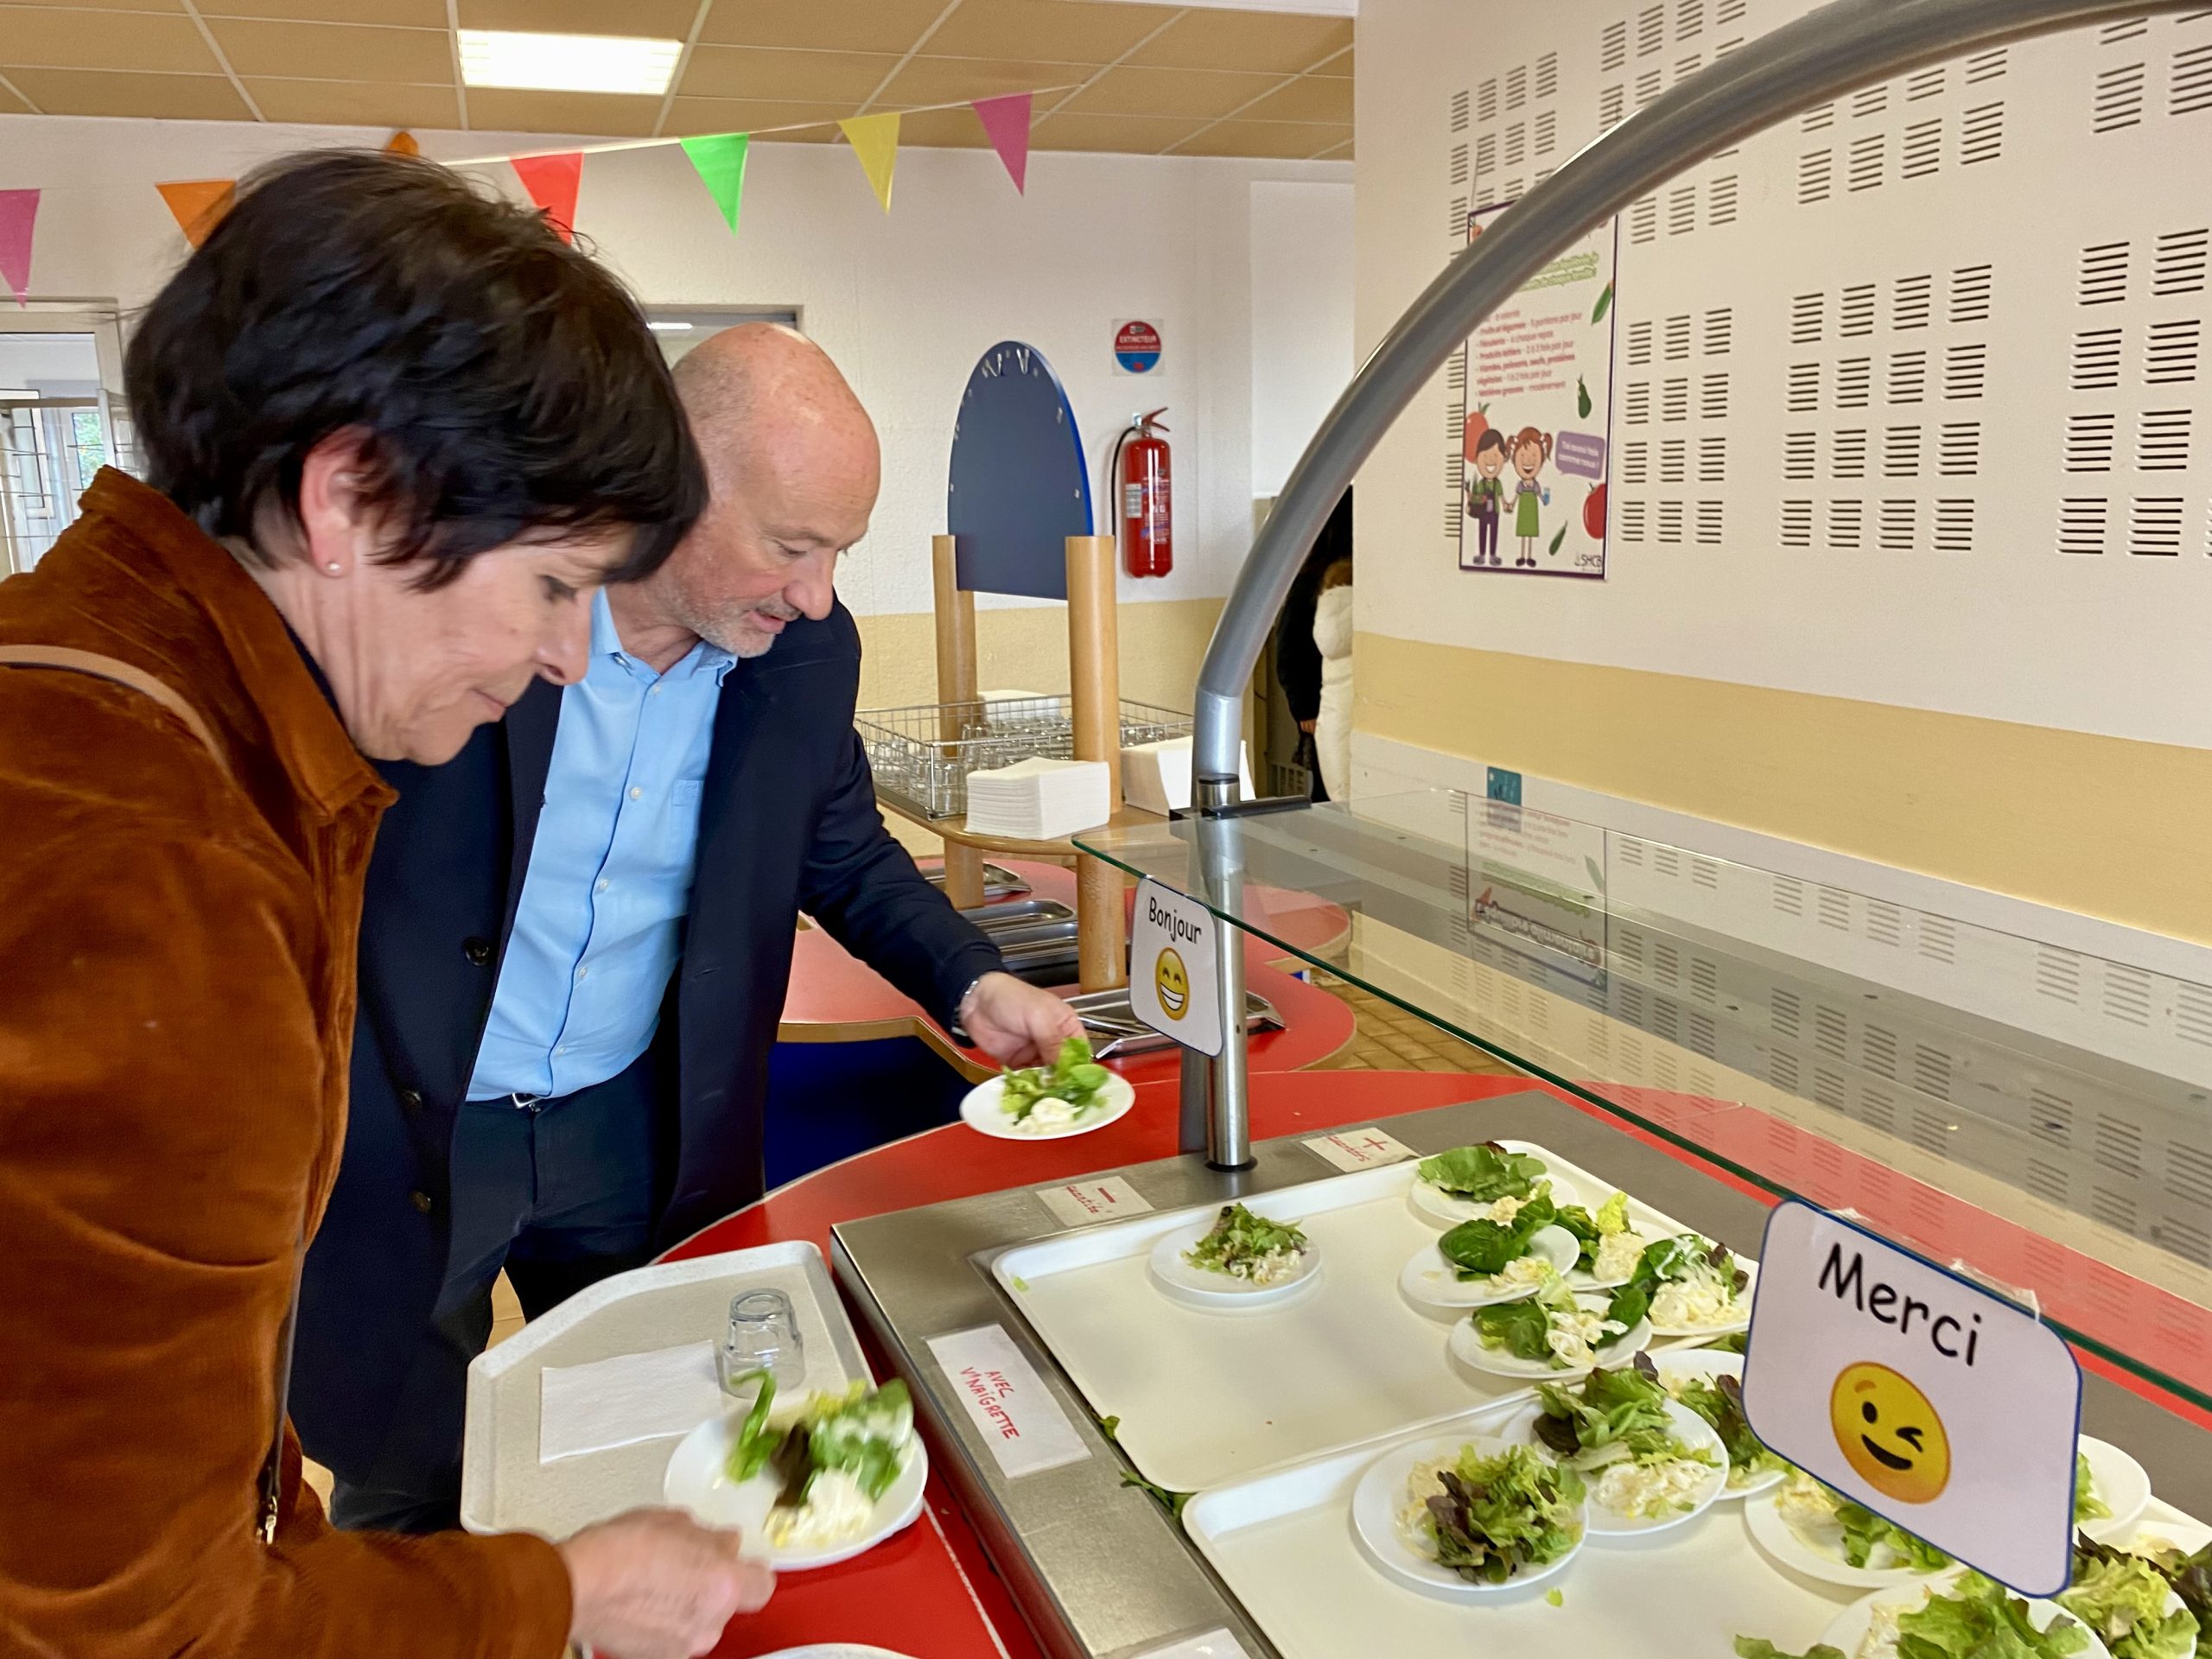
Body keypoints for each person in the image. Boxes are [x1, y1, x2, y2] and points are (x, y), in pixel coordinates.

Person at [0, 152, 771, 1658]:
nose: (567, 660)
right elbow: (143, 1629)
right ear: (350, 495)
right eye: (554, 584)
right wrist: (568, 1591)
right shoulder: (158, 873)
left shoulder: (100, 679)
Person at [293, 322, 1085, 1534]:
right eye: (793, 546)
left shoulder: (804, 654)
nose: (816, 593)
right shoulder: (482, 612)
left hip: (635, 1115)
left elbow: (842, 847)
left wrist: (971, 979)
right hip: (416, 1128)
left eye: (840, 553)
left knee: (668, 1427)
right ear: (670, 483)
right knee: (413, 1467)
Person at [1312, 556, 1354, 801]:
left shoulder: (1324, 616)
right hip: (1351, 710)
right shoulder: (1364, 612)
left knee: (1335, 785)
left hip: (1329, 711)